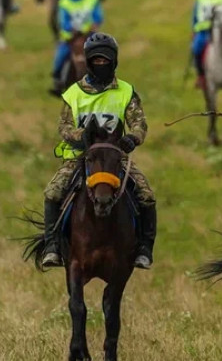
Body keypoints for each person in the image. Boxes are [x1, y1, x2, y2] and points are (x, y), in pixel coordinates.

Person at [40, 33, 157, 270]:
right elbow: (63, 125)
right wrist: (79, 137)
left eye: (106, 61)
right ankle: (51, 246)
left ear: (114, 61)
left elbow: (139, 123)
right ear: (88, 61)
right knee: (53, 192)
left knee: (146, 194)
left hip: (115, 158)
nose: (101, 65)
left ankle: (144, 248)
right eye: (96, 61)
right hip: (81, 157)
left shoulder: (126, 91)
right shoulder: (73, 92)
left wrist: (132, 139)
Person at [51, 0, 104, 94]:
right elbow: (63, 21)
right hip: (70, 37)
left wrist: (92, 25)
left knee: (102, 53)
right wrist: (71, 29)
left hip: (89, 35)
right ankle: (58, 80)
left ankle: (103, 79)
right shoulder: (64, 2)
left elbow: (98, 16)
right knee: (61, 55)